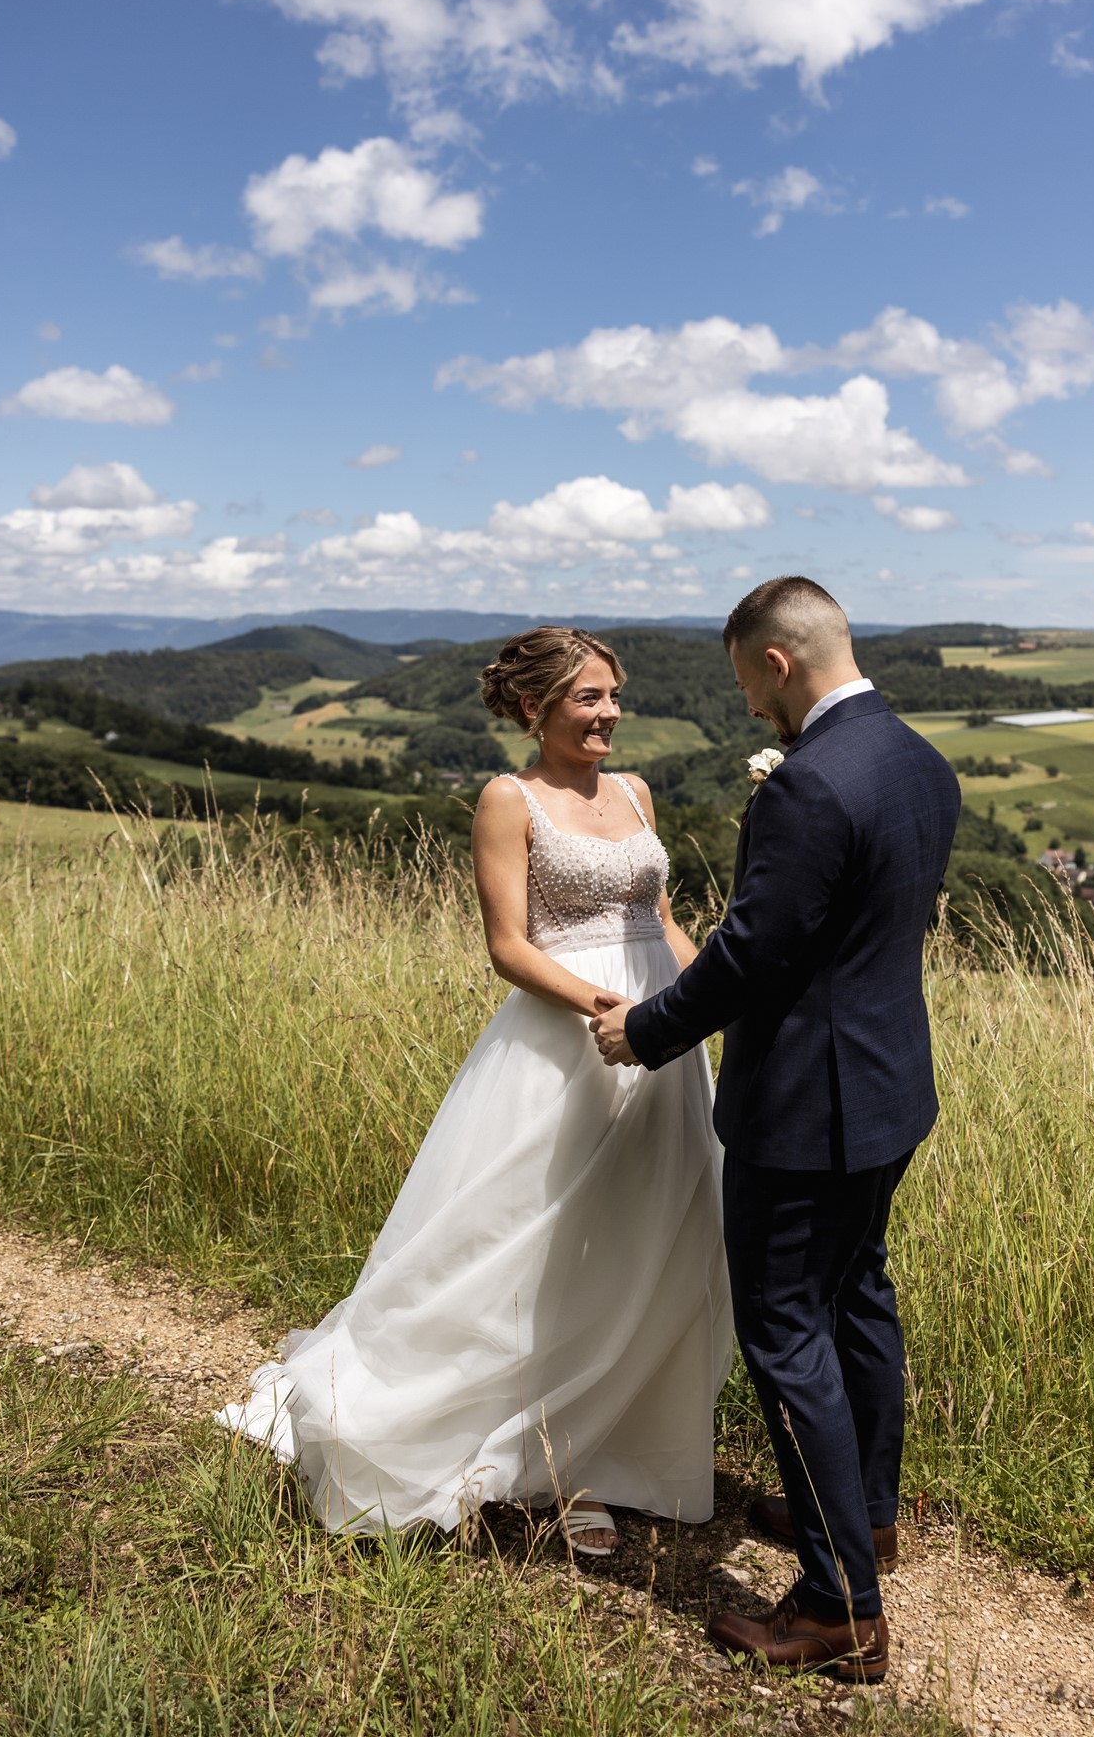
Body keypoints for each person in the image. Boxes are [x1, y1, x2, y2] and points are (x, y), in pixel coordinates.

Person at [217, 625, 731, 1559]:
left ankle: (605, 1457)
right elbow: (507, 944)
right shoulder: (508, 798)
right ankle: (510, 1439)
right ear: (535, 708)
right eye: (588, 698)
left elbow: (658, 918)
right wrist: (607, 1012)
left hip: (663, 1043)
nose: (608, 713)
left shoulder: (636, 791)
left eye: (614, 696)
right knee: (533, 1246)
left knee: (649, 1238)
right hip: (568, 1044)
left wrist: (705, 1006)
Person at [591, 577, 960, 1680]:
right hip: (892, 1090)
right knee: (857, 1293)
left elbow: (754, 953)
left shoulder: (808, 784)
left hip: (804, 1106)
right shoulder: (916, 759)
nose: (750, 707)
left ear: (777, 664)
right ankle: (868, 1517)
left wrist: (644, 1030)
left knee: (784, 1328)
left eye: (748, 682)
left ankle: (839, 1603)